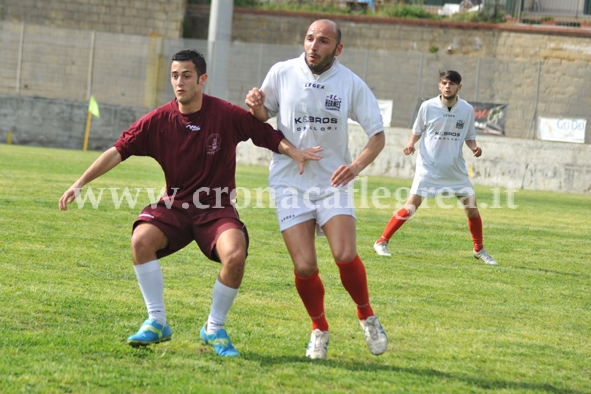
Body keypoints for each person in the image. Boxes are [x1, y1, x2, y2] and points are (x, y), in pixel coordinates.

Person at [59, 49, 322, 357]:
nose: (179, 82)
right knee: (141, 240)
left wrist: (295, 153)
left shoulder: (224, 114)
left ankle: (213, 329)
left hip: (217, 209)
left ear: (202, 79)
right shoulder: (159, 120)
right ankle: (156, 322)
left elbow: (263, 132)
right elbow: (119, 150)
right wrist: (80, 183)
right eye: (174, 76)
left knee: (235, 255)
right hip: (176, 207)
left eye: (186, 76)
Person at [245, 19, 388, 360]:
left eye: (323, 41)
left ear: (337, 49)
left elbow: (378, 136)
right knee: (306, 267)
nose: (313, 45)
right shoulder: (282, 72)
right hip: (289, 182)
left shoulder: (350, 83)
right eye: (310, 38)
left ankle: (366, 315)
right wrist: (255, 106)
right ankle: (319, 329)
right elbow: (265, 115)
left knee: (344, 254)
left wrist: (354, 168)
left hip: (332, 184)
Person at [373, 70, 498, 266]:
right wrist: (410, 144)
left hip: (455, 169)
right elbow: (416, 131)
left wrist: (474, 148)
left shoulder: (466, 110)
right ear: (439, 86)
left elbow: (469, 136)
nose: (447, 86)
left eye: (452, 84)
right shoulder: (427, 106)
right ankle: (381, 242)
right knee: (411, 207)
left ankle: (479, 249)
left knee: (472, 210)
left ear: (459, 87)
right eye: (444, 83)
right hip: (429, 167)